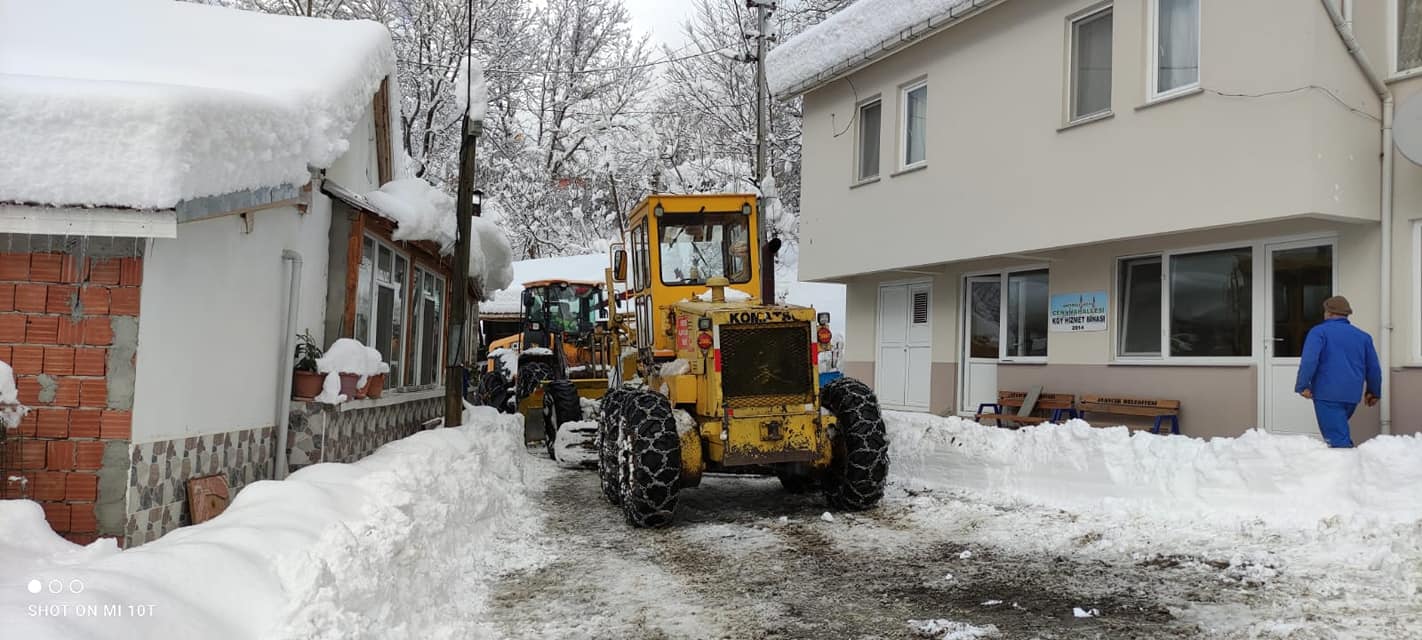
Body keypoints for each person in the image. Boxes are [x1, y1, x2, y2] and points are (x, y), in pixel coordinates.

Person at [1294, 295, 1381, 448]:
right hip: (1352, 396)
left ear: (1328, 312)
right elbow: (1373, 367)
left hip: (1327, 394)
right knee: (1339, 433)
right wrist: (1373, 392)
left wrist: (1302, 385)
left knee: (1338, 441)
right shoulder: (1363, 337)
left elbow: (1309, 360)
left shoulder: (1319, 332)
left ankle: (1351, 469)